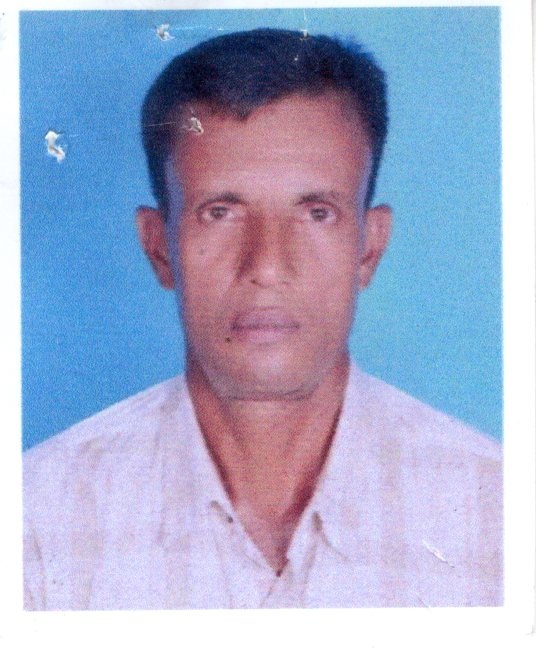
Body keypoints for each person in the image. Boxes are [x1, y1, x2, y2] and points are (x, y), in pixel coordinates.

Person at [23, 28, 502, 610]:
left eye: (316, 213)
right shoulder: (36, 520)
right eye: (220, 212)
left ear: (369, 247)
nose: (268, 266)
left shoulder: (496, 511)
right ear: (159, 247)